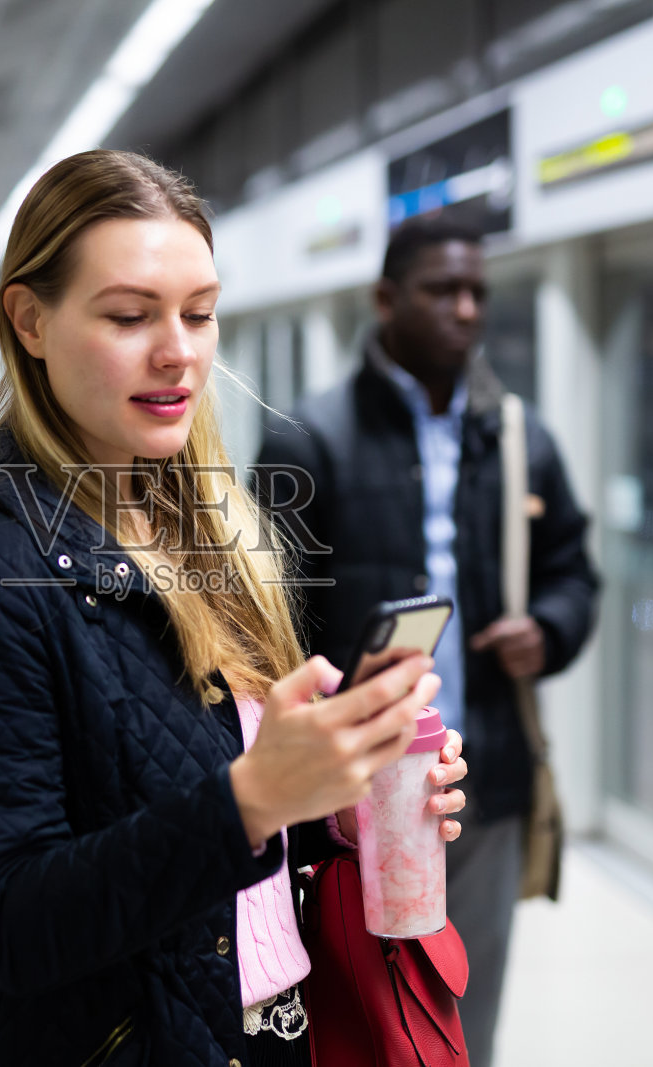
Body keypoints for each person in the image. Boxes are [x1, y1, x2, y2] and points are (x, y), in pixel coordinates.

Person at [0, 150, 472, 1066]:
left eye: (200, 313)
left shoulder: (204, 526)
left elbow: (201, 792)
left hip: (259, 1033)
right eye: (129, 315)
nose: (178, 349)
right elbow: (10, 921)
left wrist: (333, 794)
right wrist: (255, 798)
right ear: (29, 320)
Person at [254, 216, 600, 1067]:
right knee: (362, 1010)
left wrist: (548, 627)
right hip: (349, 789)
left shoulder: (518, 437)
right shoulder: (311, 436)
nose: (466, 308)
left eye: (478, 291)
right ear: (386, 300)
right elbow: (267, 623)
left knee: (460, 1014)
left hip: (477, 771)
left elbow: (574, 571)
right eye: (443, 290)